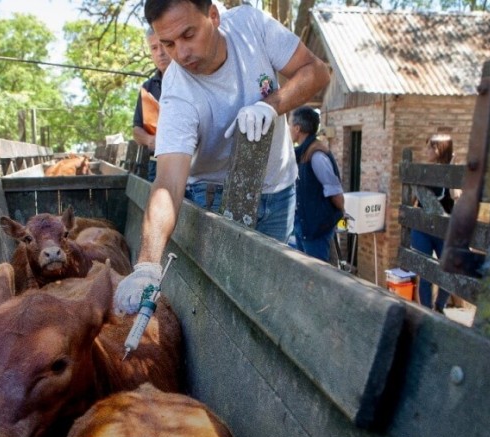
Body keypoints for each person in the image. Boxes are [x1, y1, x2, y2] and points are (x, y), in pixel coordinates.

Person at [115, 0, 330, 313]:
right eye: (168, 44)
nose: (181, 54)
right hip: (214, 197)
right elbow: (168, 184)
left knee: (270, 299)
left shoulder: (252, 27)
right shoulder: (177, 93)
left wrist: (271, 105)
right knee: (225, 304)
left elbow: (318, 72)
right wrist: (147, 265)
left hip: (280, 188)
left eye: (188, 35)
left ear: (213, 16)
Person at [288, 106, 345, 263]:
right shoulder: (302, 152)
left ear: (297, 128)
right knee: (307, 273)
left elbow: (335, 193)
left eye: (290, 124)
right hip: (304, 227)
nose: (288, 128)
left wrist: (337, 215)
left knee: (319, 276)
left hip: (316, 229)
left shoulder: (316, 155)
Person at [411, 134, 455, 312]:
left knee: (450, 271)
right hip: (423, 227)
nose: (426, 151)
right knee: (425, 272)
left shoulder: (452, 173)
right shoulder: (424, 171)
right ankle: (427, 311)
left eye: (430, 147)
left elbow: (456, 196)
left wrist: (451, 171)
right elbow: (414, 199)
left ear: (439, 150)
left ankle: (439, 306)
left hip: (443, 229)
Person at [132, 27, 172, 182]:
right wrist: (151, 141)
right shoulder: (147, 88)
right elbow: (136, 130)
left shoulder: (191, 78)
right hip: (156, 165)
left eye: (164, 45)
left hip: (191, 166)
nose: (160, 53)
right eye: (154, 48)